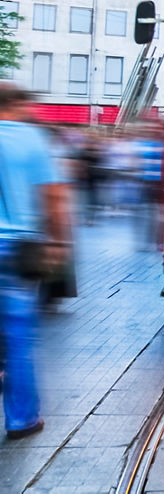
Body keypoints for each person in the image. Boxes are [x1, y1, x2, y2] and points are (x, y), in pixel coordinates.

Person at [0, 83, 73, 439]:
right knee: (17, 336)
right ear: (15, 104)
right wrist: (59, 243)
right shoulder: (32, 140)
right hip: (17, 250)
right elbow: (55, 196)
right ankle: (22, 418)